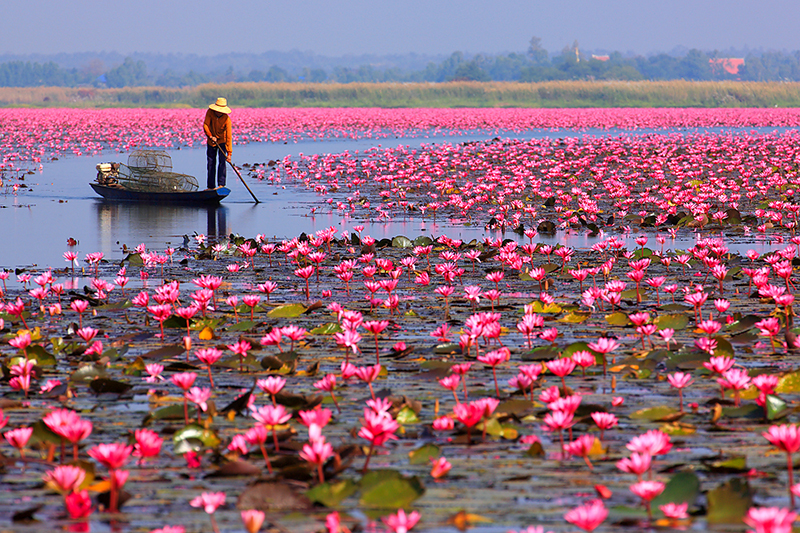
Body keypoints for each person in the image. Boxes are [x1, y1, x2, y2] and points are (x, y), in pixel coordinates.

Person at [203, 97, 232, 189]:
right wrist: (210, 136)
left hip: (222, 142)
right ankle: (210, 187)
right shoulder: (210, 112)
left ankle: (221, 185)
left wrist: (229, 153)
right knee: (211, 163)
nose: (219, 112)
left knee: (222, 162)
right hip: (211, 141)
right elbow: (206, 125)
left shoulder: (227, 119)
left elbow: (228, 136)